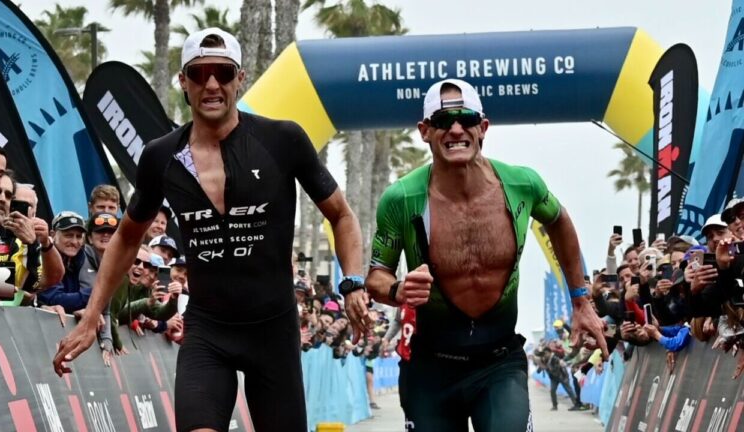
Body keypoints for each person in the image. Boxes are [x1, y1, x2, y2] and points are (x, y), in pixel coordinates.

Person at [53, 27, 365, 432]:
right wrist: (93, 314)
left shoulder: (281, 139)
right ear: (183, 82)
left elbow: (341, 214)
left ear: (241, 77)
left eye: (223, 72)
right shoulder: (161, 156)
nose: (212, 84)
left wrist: (353, 281)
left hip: (272, 330)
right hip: (208, 330)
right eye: (199, 74)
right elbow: (128, 236)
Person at [364, 78, 607, 432]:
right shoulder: (401, 199)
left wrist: (581, 299)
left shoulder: (521, 184)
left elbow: (560, 221)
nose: (456, 129)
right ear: (425, 131)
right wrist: (397, 291)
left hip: (499, 362)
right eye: (443, 121)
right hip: (430, 366)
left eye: (466, 118)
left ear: (484, 127)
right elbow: (375, 277)